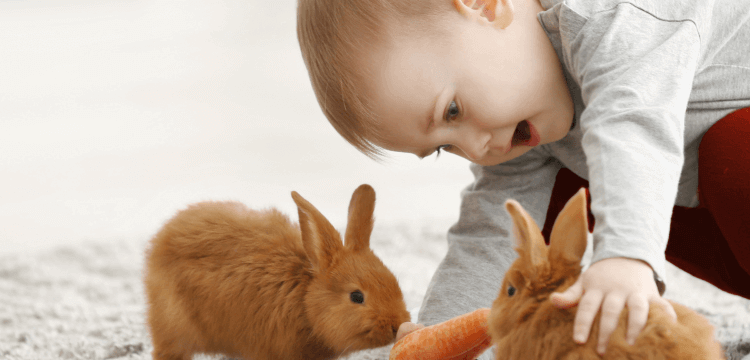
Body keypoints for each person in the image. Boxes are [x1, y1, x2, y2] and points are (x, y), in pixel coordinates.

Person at [296, 0, 750, 357]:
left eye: (452, 111)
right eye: (444, 146)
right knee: (561, 198)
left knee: (706, 154)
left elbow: (634, 127)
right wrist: (438, 335)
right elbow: (491, 227)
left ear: (486, 6)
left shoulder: (611, 15)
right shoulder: (522, 121)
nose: (474, 149)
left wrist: (626, 258)